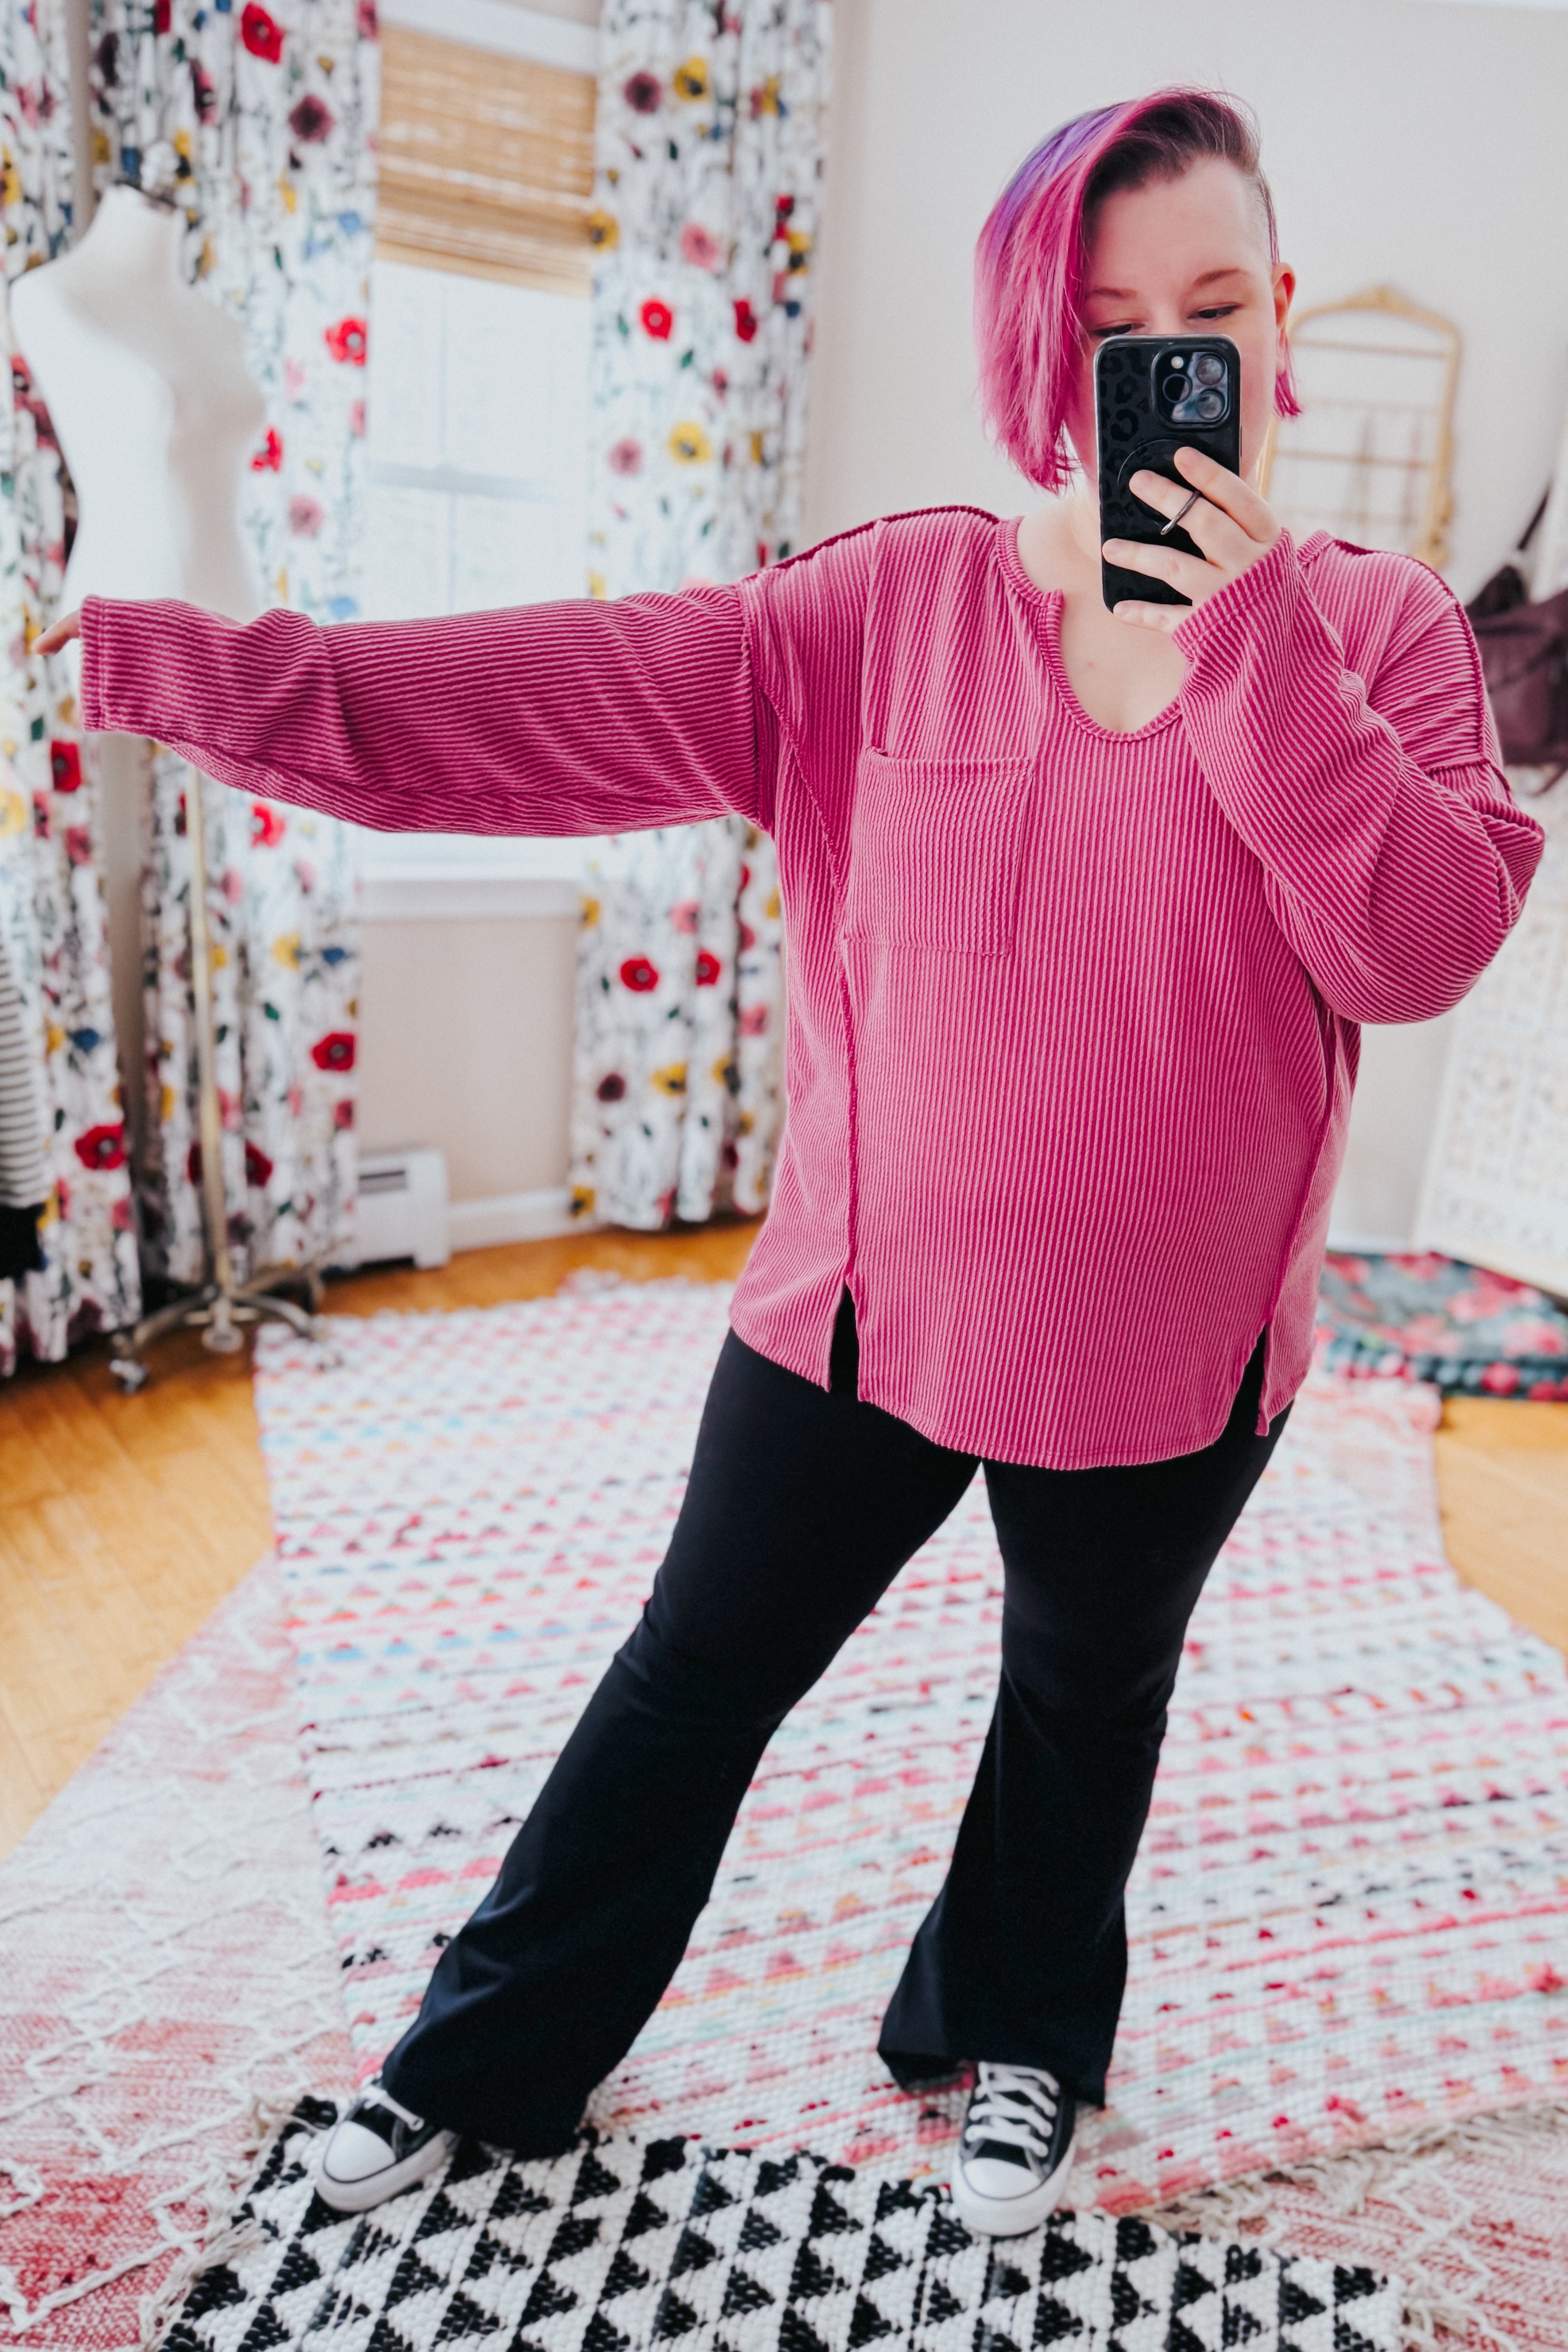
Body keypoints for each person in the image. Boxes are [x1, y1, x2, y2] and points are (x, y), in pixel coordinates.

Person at [43, 88, 1543, 2239]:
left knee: (1081, 1699)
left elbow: (1409, 949)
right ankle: (484, 2053)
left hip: (1176, 1354)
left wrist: (1243, 657)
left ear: (1277, 318)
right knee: (690, 1678)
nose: (1165, 369)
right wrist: (219, 670)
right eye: (1113, 324)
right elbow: (515, 707)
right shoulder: (879, 611)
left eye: (1207, 312)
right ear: (1041, 345)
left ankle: (1020, 2030)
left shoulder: (1375, 631)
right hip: (861, 1311)